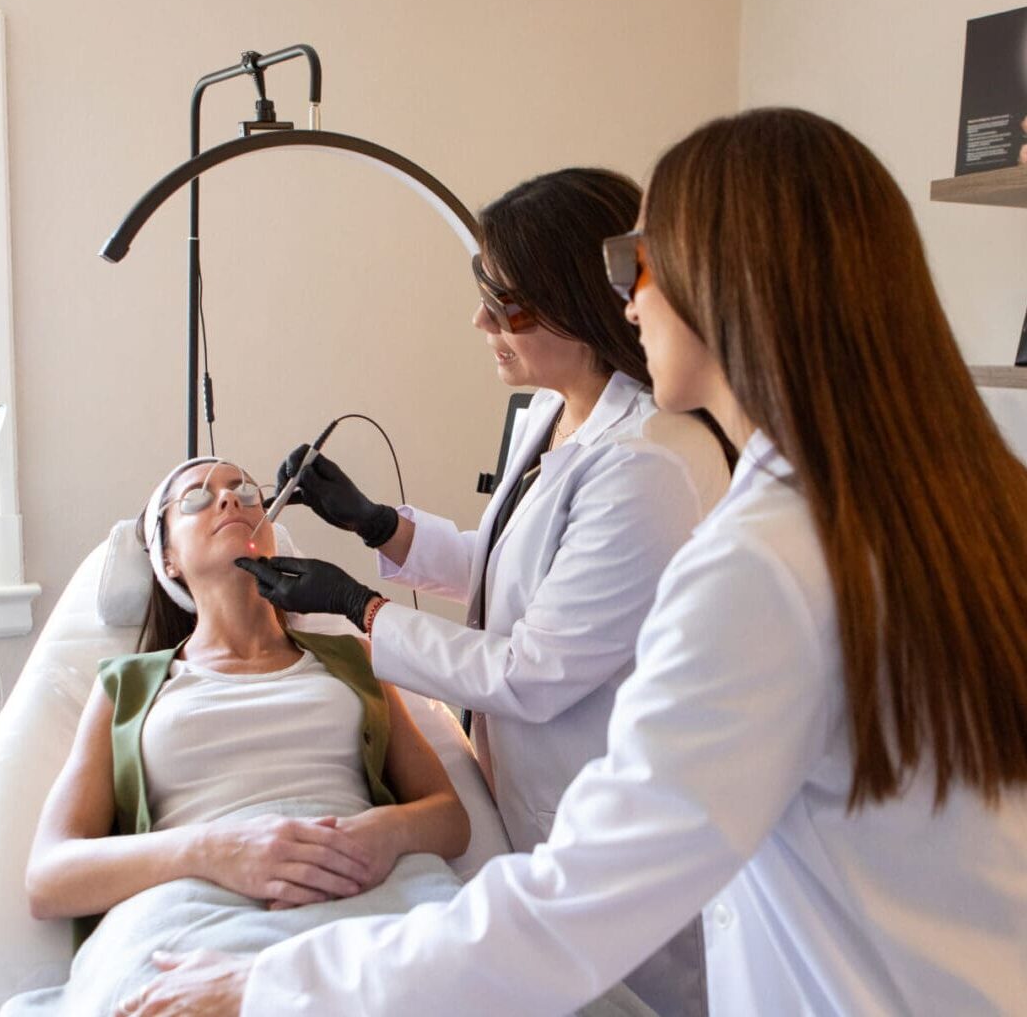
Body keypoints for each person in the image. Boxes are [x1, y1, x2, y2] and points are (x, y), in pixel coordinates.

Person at [121, 109, 1027, 1016]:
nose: (628, 298)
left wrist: (275, 984)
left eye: (638, 261)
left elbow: (579, 871)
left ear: (728, 283)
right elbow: (527, 570)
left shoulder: (741, 548)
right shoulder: (934, 502)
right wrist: (381, 528)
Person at [240, 168, 735, 1013]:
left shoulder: (645, 462)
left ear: (580, 304)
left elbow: (530, 671)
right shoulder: (557, 412)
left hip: (608, 816)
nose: (481, 323)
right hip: (529, 800)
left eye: (505, 305)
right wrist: (377, 526)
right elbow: (513, 567)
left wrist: (359, 609)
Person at [3, 457, 471, 1015]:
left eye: (247, 491)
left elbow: (450, 819)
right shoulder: (126, 688)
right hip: (192, 915)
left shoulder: (355, 658)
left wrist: (382, 834)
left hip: (364, 889)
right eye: (196, 498)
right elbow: (50, 878)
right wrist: (216, 849)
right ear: (168, 558)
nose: (229, 499)